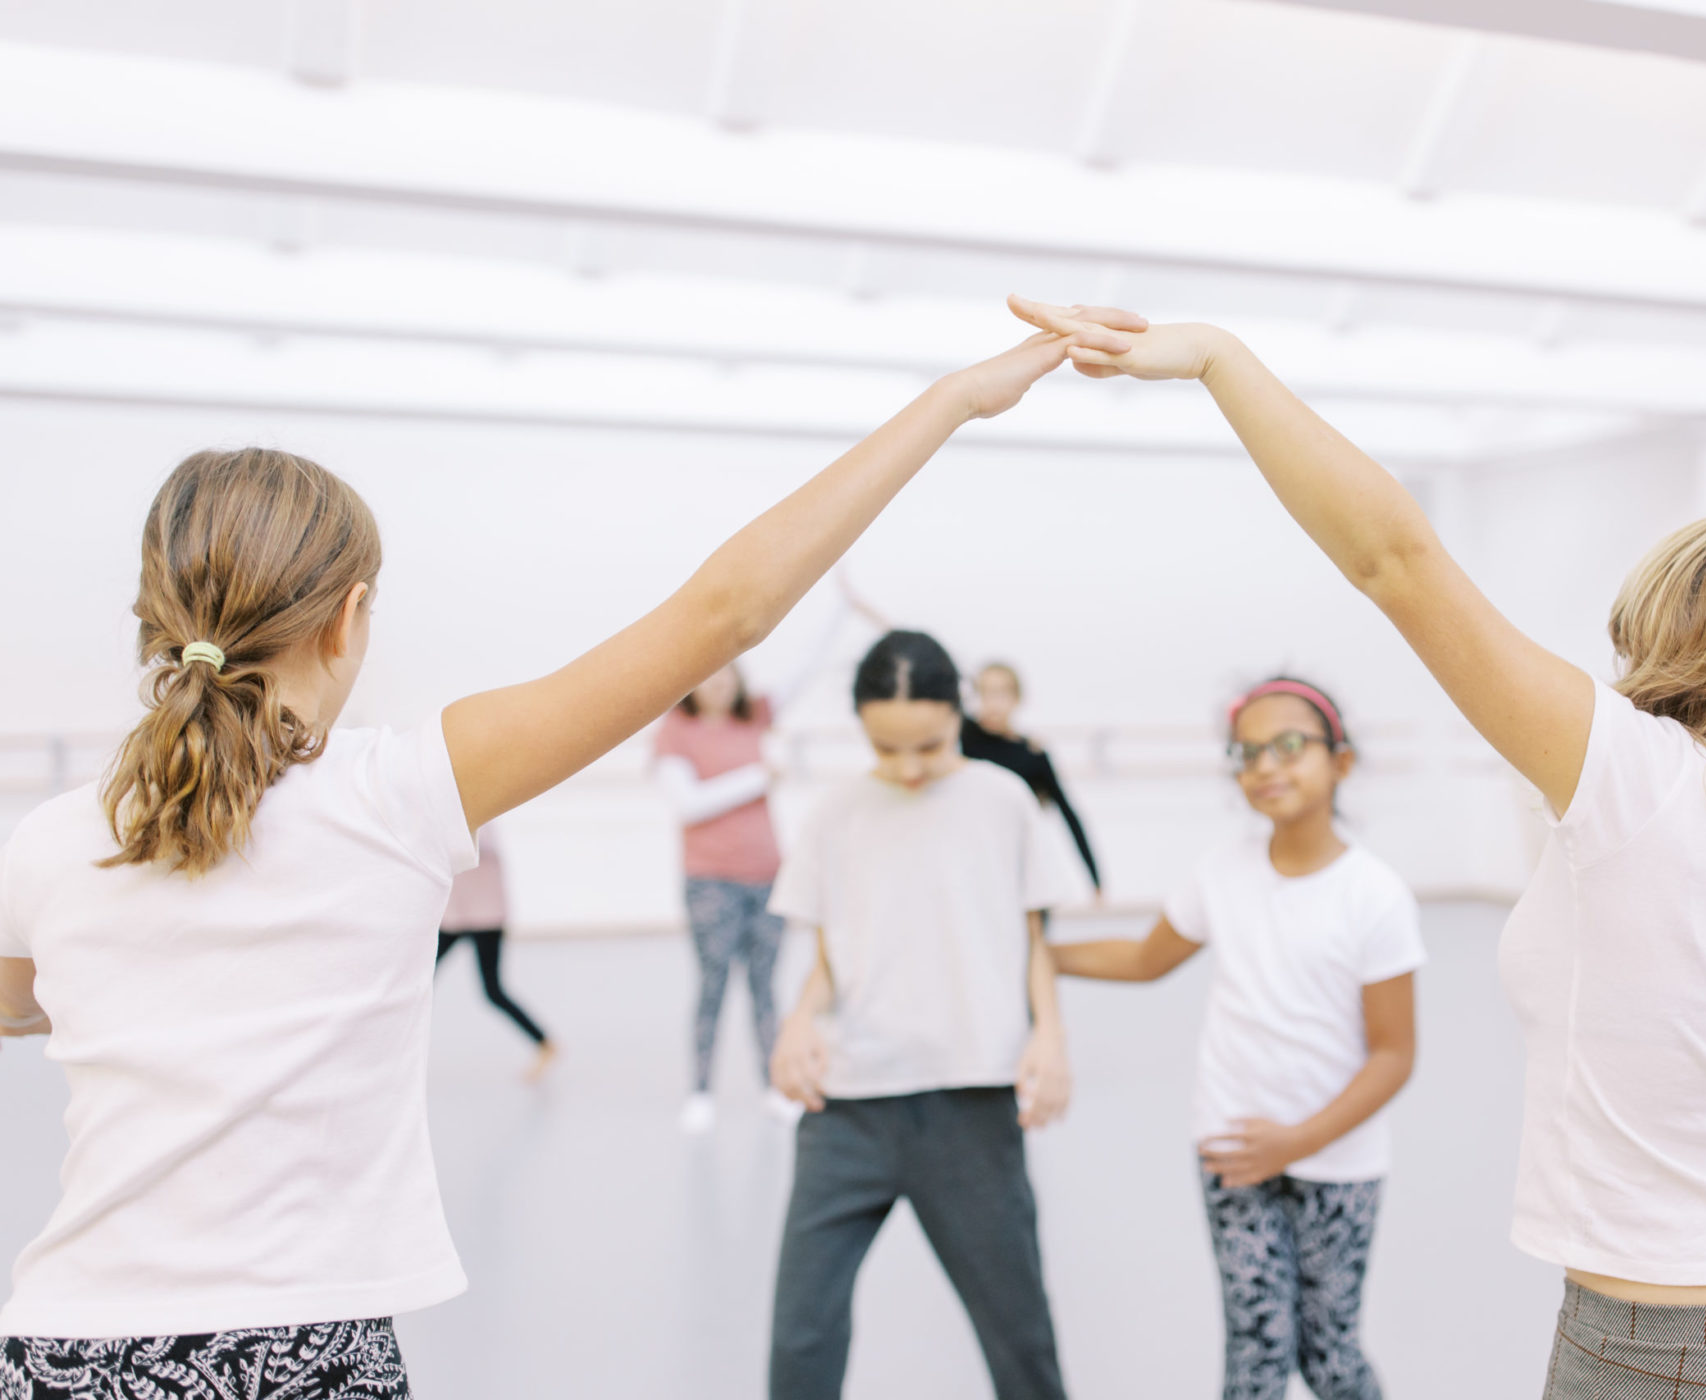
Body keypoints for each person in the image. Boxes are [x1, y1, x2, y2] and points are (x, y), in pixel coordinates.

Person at [0, 324, 1099, 1393]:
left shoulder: (48, 843)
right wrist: (955, 398)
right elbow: (726, 613)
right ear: (348, 619)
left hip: (64, 1346)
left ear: (153, 619)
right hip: (301, 1351)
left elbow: (21, 1005)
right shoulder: (395, 795)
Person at [1012, 295, 1706, 1399]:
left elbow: (1396, 559)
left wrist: (1218, 360)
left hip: (1676, 1347)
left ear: (1688, 630)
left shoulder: (1643, 779)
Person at [1054, 677, 1420, 1400]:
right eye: (1247, 753)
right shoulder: (1222, 872)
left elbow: (1394, 1054)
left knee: (1329, 1354)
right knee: (1257, 1346)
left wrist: (1298, 1141)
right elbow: (1144, 959)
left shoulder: (1374, 895)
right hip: (1233, 1153)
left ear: (1341, 761)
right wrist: (1037, 954)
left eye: (1288, 745)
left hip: (1337, 1164)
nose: (1265, 766)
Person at [766, 629, 1078, 1400]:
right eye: (886, 749)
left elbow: (1034, 939)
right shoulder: (836, 813)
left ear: (957, 715)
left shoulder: (1003, 801)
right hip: (847, 1109)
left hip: (970, 1104)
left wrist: (1050, 1037)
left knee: (1020, 1336)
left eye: (930, 747)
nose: (908, 769)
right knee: (802, 1335)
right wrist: (799, 1021)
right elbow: (832, 955)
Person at [654, 583, 881, 1134]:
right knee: (712, 987)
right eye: (708, 674)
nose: (718, 683)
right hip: (710, 881)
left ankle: (775, 1086)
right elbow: (688, 805)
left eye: (727, 673)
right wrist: (759, 777)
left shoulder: (755, 716)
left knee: (765, 989)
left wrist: (839, 613)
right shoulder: (675, 733)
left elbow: (806, 668)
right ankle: (701, 1091)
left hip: (767, 878)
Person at [962, 662, 1103, 898]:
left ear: (1016, 698)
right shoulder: (962, 737)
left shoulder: (1031, 754)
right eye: (984, 692)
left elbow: (1069, 815)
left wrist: (1095, 880)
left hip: (1018, 866)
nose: (992, 702)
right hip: (975, 863)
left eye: (1000, 693)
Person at [436, 820, 558, 1080]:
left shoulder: (479, 828)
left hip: (485, 918)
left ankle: (544, 1043)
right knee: (419, 979)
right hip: (455, 918)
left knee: (493, 991)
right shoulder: (445, 824)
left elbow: (469, 851)